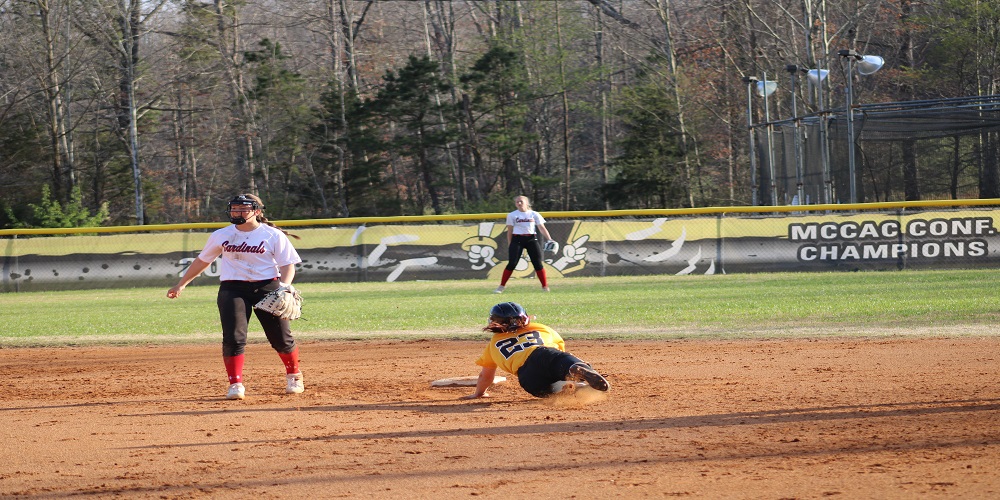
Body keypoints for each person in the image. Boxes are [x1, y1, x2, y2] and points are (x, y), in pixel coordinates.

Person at [167, 194, 305, 400]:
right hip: (233, 288)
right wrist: (181, 284)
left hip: (268, 287)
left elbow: (287, 265)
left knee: (281, 338)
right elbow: (203, 260)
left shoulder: (272, 235)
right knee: (233, 338)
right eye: (234, 209)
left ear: (256, 212)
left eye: (243, 209)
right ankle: (235, 384)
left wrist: (284, 287)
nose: (237, 213)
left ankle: (294, 375)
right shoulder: (222, 234)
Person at [461, 302, 610, 399]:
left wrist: (479, 393)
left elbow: (485, 376)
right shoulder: (540, 327)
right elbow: (559, 350)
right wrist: (565, 365)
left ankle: (570, 387)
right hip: (544, 354)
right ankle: (578, 371)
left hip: (526, 374)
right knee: (565, 363)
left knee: (544, 390)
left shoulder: (493, 345)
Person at [495, 195, 552, 293]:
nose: (519, 203)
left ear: (527, 203)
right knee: (512, 263)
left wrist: (550, 239)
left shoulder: (534, 214)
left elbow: (542, 228)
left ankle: (545, 286)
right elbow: (510, 231)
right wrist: (510, 243)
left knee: (537, 263)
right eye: (517, 202)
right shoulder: (512, 215)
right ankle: (501, 286)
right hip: (517, 239)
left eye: (521, 201)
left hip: (531, 239)